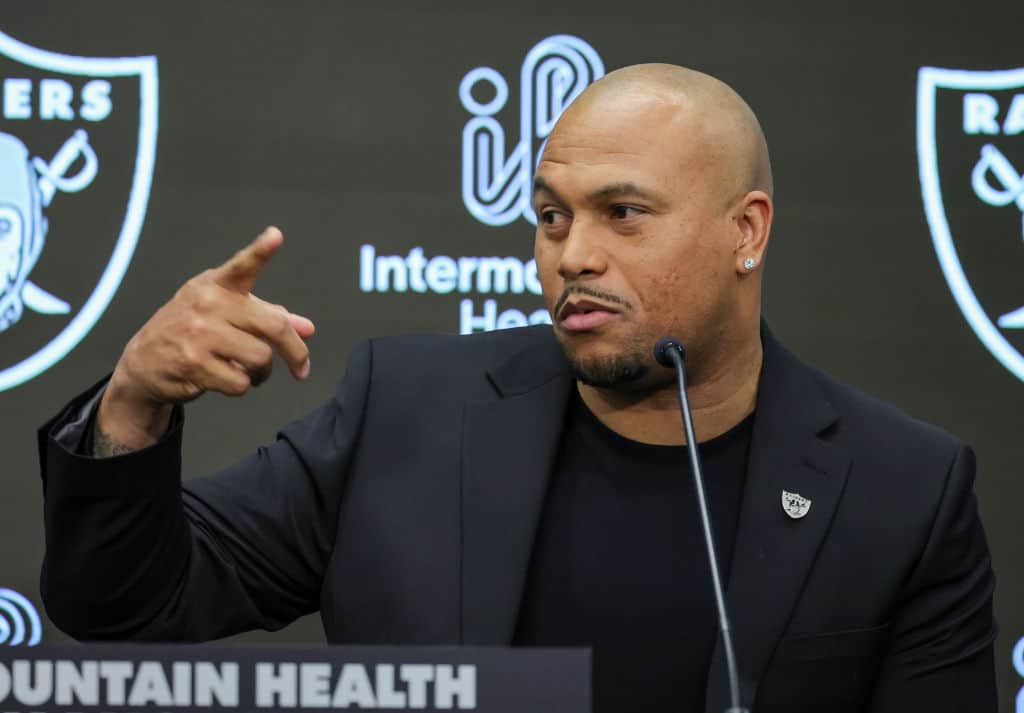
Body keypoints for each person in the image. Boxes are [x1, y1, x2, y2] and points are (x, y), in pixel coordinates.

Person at [38, 64, 996, 712]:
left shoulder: (903, 490)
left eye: (624, 214)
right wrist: (133, 401)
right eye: (550, 216)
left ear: (746, 232)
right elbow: (122, 601)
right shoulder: (404, 411)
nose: (572, 255)